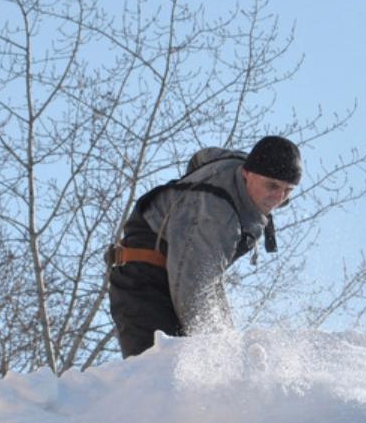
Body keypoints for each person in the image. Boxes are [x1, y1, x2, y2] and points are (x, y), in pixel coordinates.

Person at [107, 136, 302, 357]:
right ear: (248, 173)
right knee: (159, 372)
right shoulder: (216, 214)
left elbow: (202, 158)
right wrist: (219, 352)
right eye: (272, 185)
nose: (278, 197)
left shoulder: (234, 164)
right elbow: (193, 289)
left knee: (218, 342)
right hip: (144, 282)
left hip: (180, 267)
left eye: (288, 190)